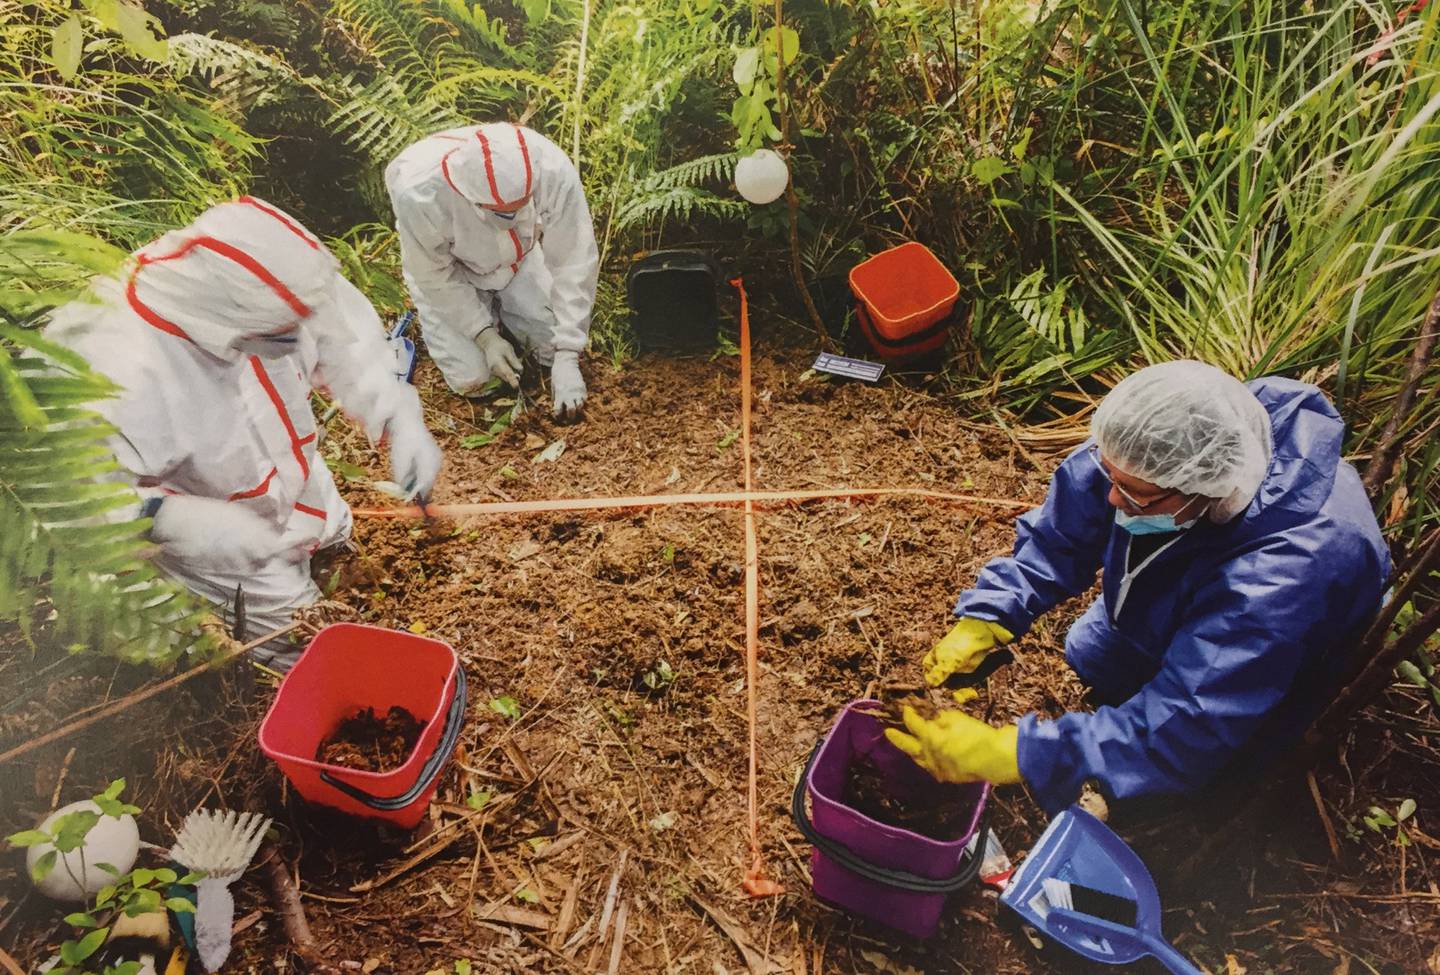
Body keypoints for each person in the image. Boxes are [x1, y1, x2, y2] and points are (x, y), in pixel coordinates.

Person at [886, 361, 1390, 814]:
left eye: (1135, 495)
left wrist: (1015, 752)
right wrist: (994, 612)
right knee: (1091, 654)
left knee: (1204, 767)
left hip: (1270, 666)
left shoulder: (1287, 572)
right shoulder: (1164, 436)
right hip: (1186, 590)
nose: (1111, 496)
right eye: (1110, 474)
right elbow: (1063, 532)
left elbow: (1188, 723)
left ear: (1207, 489)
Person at [45, 197, 443, 669]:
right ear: (223, 325)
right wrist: (167, 519)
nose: (302, 340)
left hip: (292, 471)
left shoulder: (279, 275)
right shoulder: (101, 362)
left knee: (329, 524)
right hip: (213, 525)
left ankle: (329, 549)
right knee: (301, 641)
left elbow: (344, 340)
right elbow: (75, 499)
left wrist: (397, 414)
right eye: (282, 334)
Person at [385, 123, 599, 420]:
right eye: (499, 211)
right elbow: (433, 275)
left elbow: (573, 255)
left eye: (519, 206)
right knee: (474, 380)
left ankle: (511, 315)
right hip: (454, 274)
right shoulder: (419, 194)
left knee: (551, 349)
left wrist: (568, 354)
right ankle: (489, 327)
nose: (509, 218)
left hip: (520, 260)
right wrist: (483, 335)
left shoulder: (551, 167)